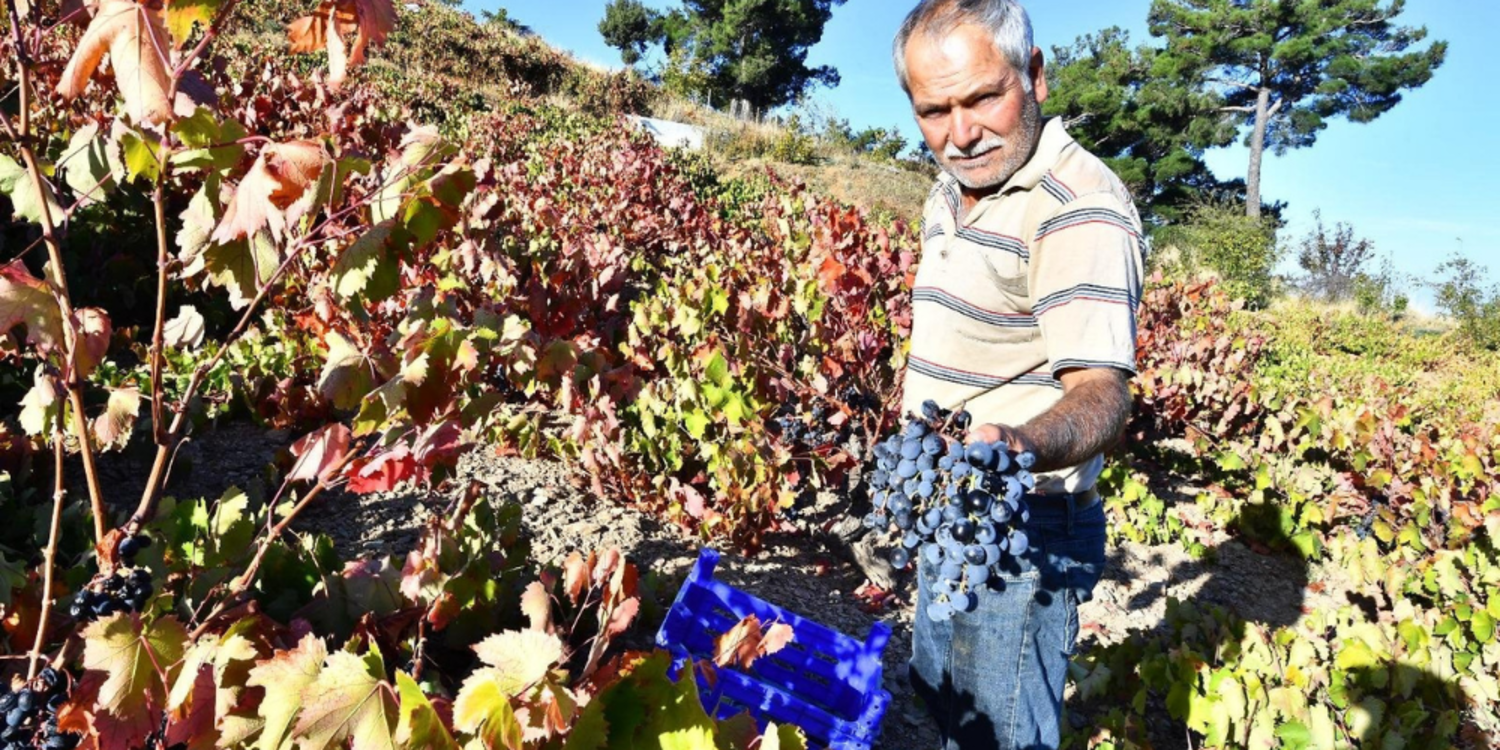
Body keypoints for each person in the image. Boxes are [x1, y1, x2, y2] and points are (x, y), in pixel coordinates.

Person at [891, 1, 1144, 747]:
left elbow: (1103, 393)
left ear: (1034, 76)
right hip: (951, 504)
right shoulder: (955, 187)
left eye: (981, 98)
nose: (960, 133)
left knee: (1001, 737)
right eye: (934, 110)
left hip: (1021, 523)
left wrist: (1015, 445)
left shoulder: (1076, 208)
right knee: (947, 710)